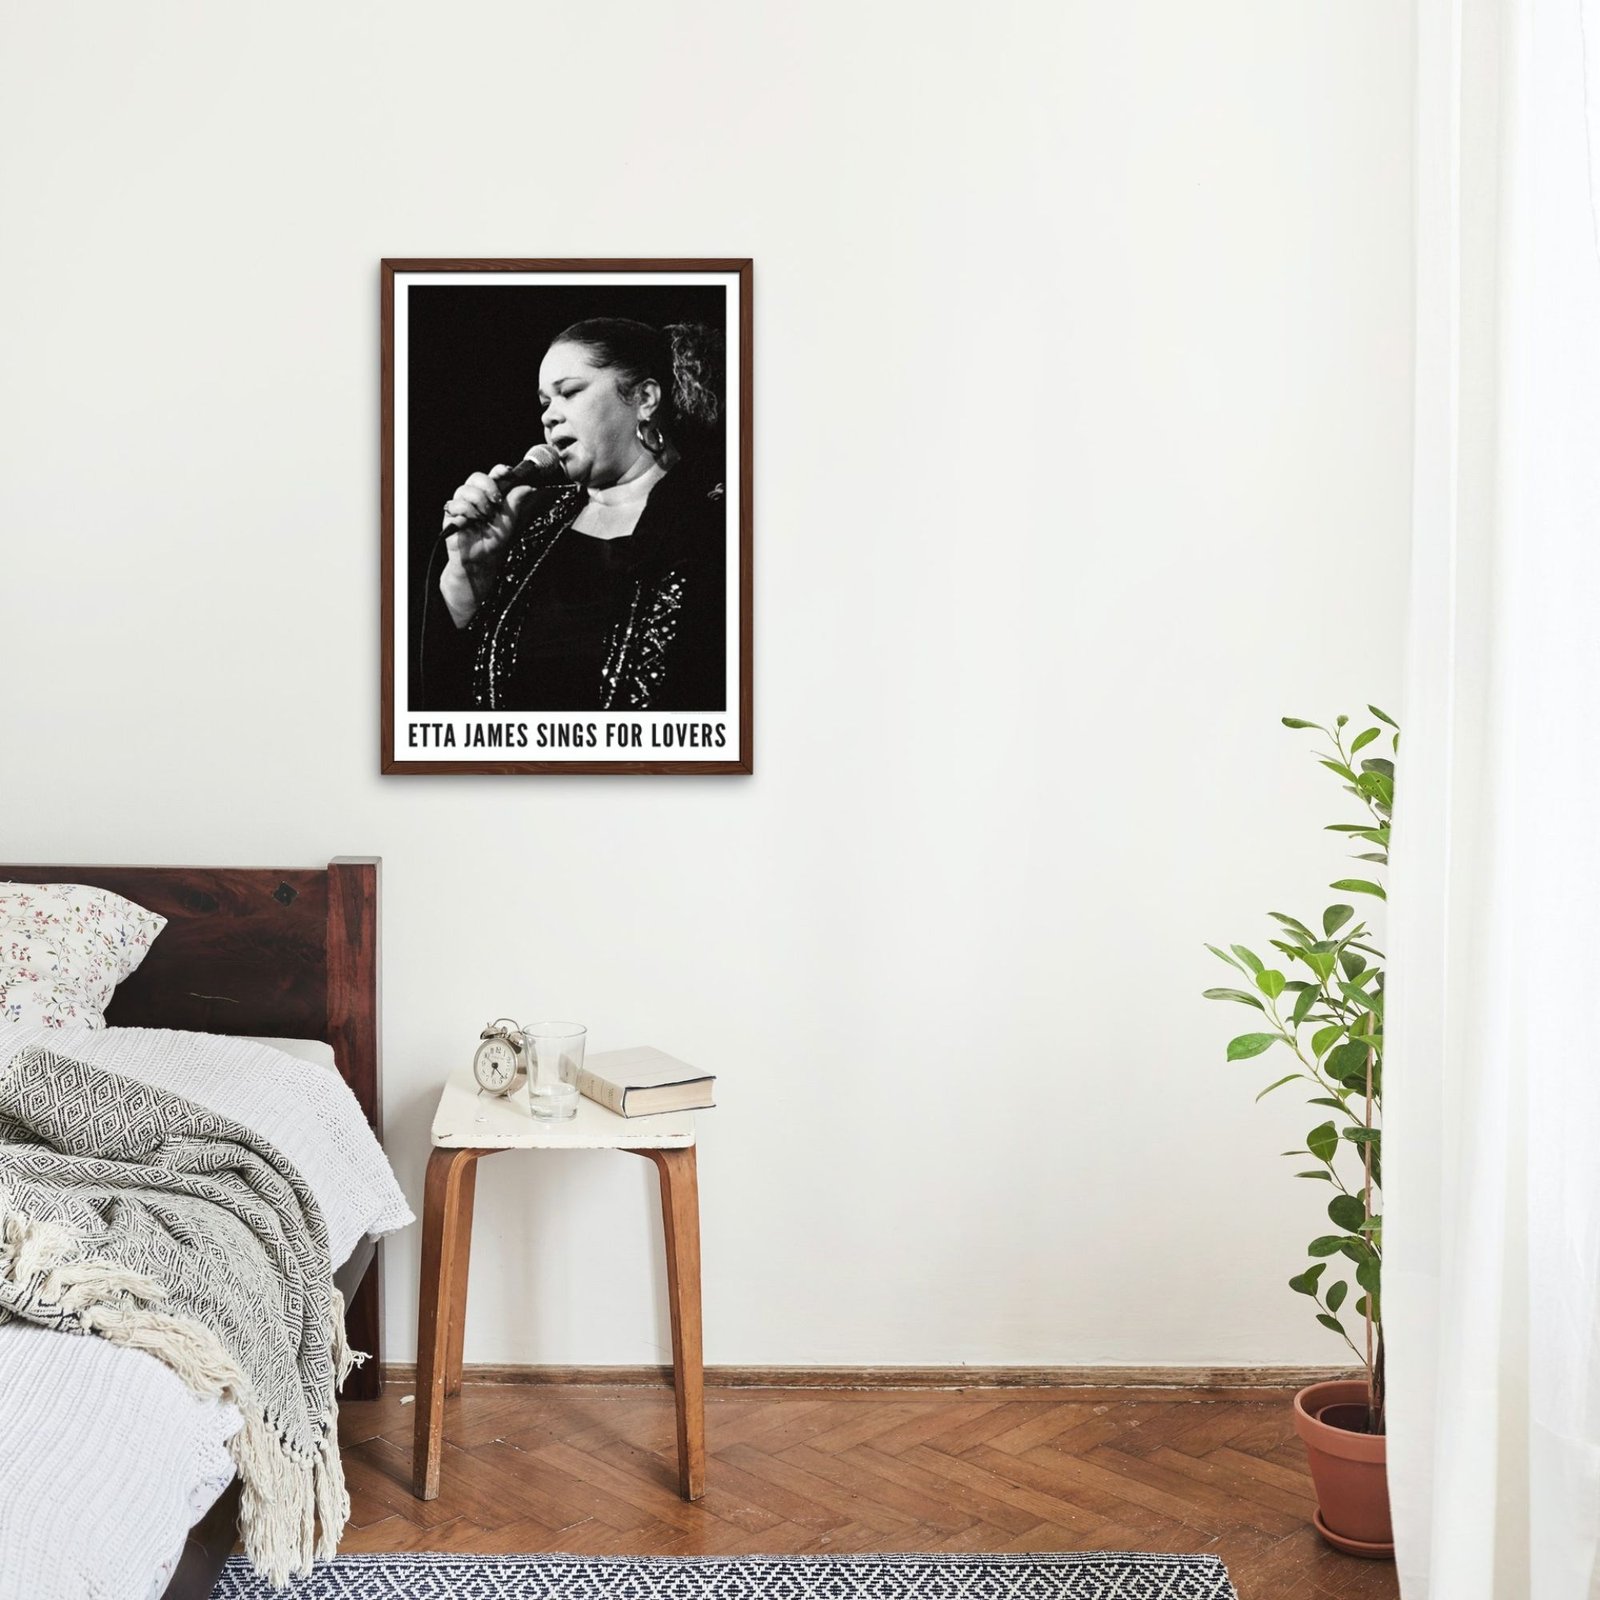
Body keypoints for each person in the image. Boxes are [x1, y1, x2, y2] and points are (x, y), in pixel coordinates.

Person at [424, 317, 727, 712]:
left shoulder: (714, 527)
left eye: (568, 392)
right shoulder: (527, 521)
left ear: (645, 398)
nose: (550, 416)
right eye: (545, 403)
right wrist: (466, 583)